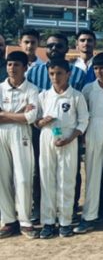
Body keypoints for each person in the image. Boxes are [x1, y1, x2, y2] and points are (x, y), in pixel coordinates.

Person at [36, 59, 89, 239]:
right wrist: (42, 122)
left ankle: (65, 221)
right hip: (47, 138)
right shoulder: (44, 96)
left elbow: (83, 121)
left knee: (66, 180)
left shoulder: (76, 96)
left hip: (68, 139)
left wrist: (70, 138)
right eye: (52, 74)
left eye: (59, 73)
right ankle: (48, 222)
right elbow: (36, 121)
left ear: (68, 74)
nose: (55, 77)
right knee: (47, 179)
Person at [74, 53, 103, 235]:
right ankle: (88, 217)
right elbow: (83, 114)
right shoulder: (88, 89)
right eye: (95, 68)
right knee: (92, 175)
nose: (99, 72)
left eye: (102, 68)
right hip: (93, 131)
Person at [0, 51, 40, 238]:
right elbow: (23, 116)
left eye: (16, 65)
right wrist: (19, 114)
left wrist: (4, 114)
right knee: (2, 178)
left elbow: (31, 117)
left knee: (23, 178)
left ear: (25, 67)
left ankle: (25, 220)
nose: (12, 68)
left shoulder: (32, 90)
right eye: (9, 65)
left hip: (22, 135)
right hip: (1, 135)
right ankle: (9, 221)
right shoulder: (0, 88)